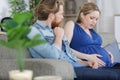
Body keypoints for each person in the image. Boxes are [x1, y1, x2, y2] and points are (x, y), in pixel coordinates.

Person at [27, 1, 120, 80]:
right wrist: (58, 37)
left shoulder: (54, 30)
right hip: (70, 70)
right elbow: (54, 56)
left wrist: (86, 62)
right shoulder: (33, 31)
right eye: (60, 14)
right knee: (114, 76)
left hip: (79, 65)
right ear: (51, 16)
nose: (63, 17)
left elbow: (69, 54)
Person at [64, 2, 120, 80]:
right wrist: (88, 57)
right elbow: (65, 49)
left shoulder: (92, 31)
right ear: (82, 15)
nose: (94, 22)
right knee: (115, 76)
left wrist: (107, 52)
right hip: (92, 66)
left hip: (108, 64)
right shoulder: (72, 25)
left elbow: (95, 48)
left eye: (96, 19)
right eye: (92, 18)